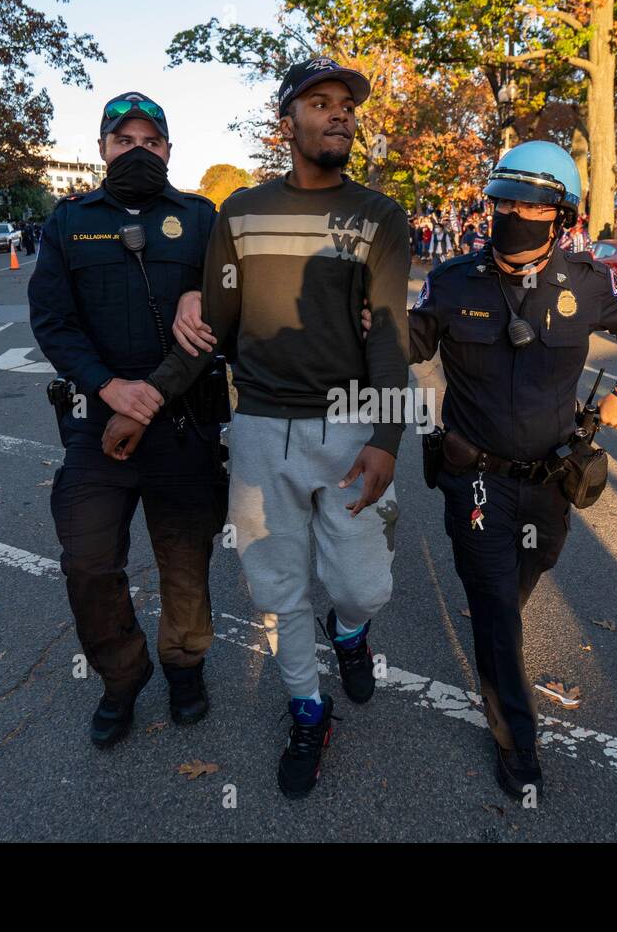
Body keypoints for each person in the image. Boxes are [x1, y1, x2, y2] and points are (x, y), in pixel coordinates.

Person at [115, 58, 410, 799]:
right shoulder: (240, 213)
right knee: (277, 591)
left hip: (349, 429)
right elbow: (210, 329)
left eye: (347, 104)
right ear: (288, 123)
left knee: (361, 585)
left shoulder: (381, 216)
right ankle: (309, 712)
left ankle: (350, 633)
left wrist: (386, 438)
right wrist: (144, 399)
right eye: (320, 103)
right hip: (258, 434)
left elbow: (391, 338)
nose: (339, 114)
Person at [407, 141, 617, 800]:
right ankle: (518, 743)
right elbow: (401, 344)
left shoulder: (586, 281)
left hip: (550, 478)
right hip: (475, 478)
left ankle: (498, 624)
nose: (512, 212)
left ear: (559, 215)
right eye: (503, 199)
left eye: (530, 203)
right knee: (494, 609)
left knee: (535, 565)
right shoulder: (452, 281)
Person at [27, 91, 228, 749]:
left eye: (150, 142)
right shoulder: (68, 222)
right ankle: (123, 675)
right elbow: (53, 321)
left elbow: (228, 313)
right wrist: (109, 387)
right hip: (97, 429)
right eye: (124, 141)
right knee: (87, 563)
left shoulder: (202, 219)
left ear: (169, 150)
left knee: (186, 561)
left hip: (185, 427)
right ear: (103, 150)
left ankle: (185, 665)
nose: (137, 151)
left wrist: (203, 292)